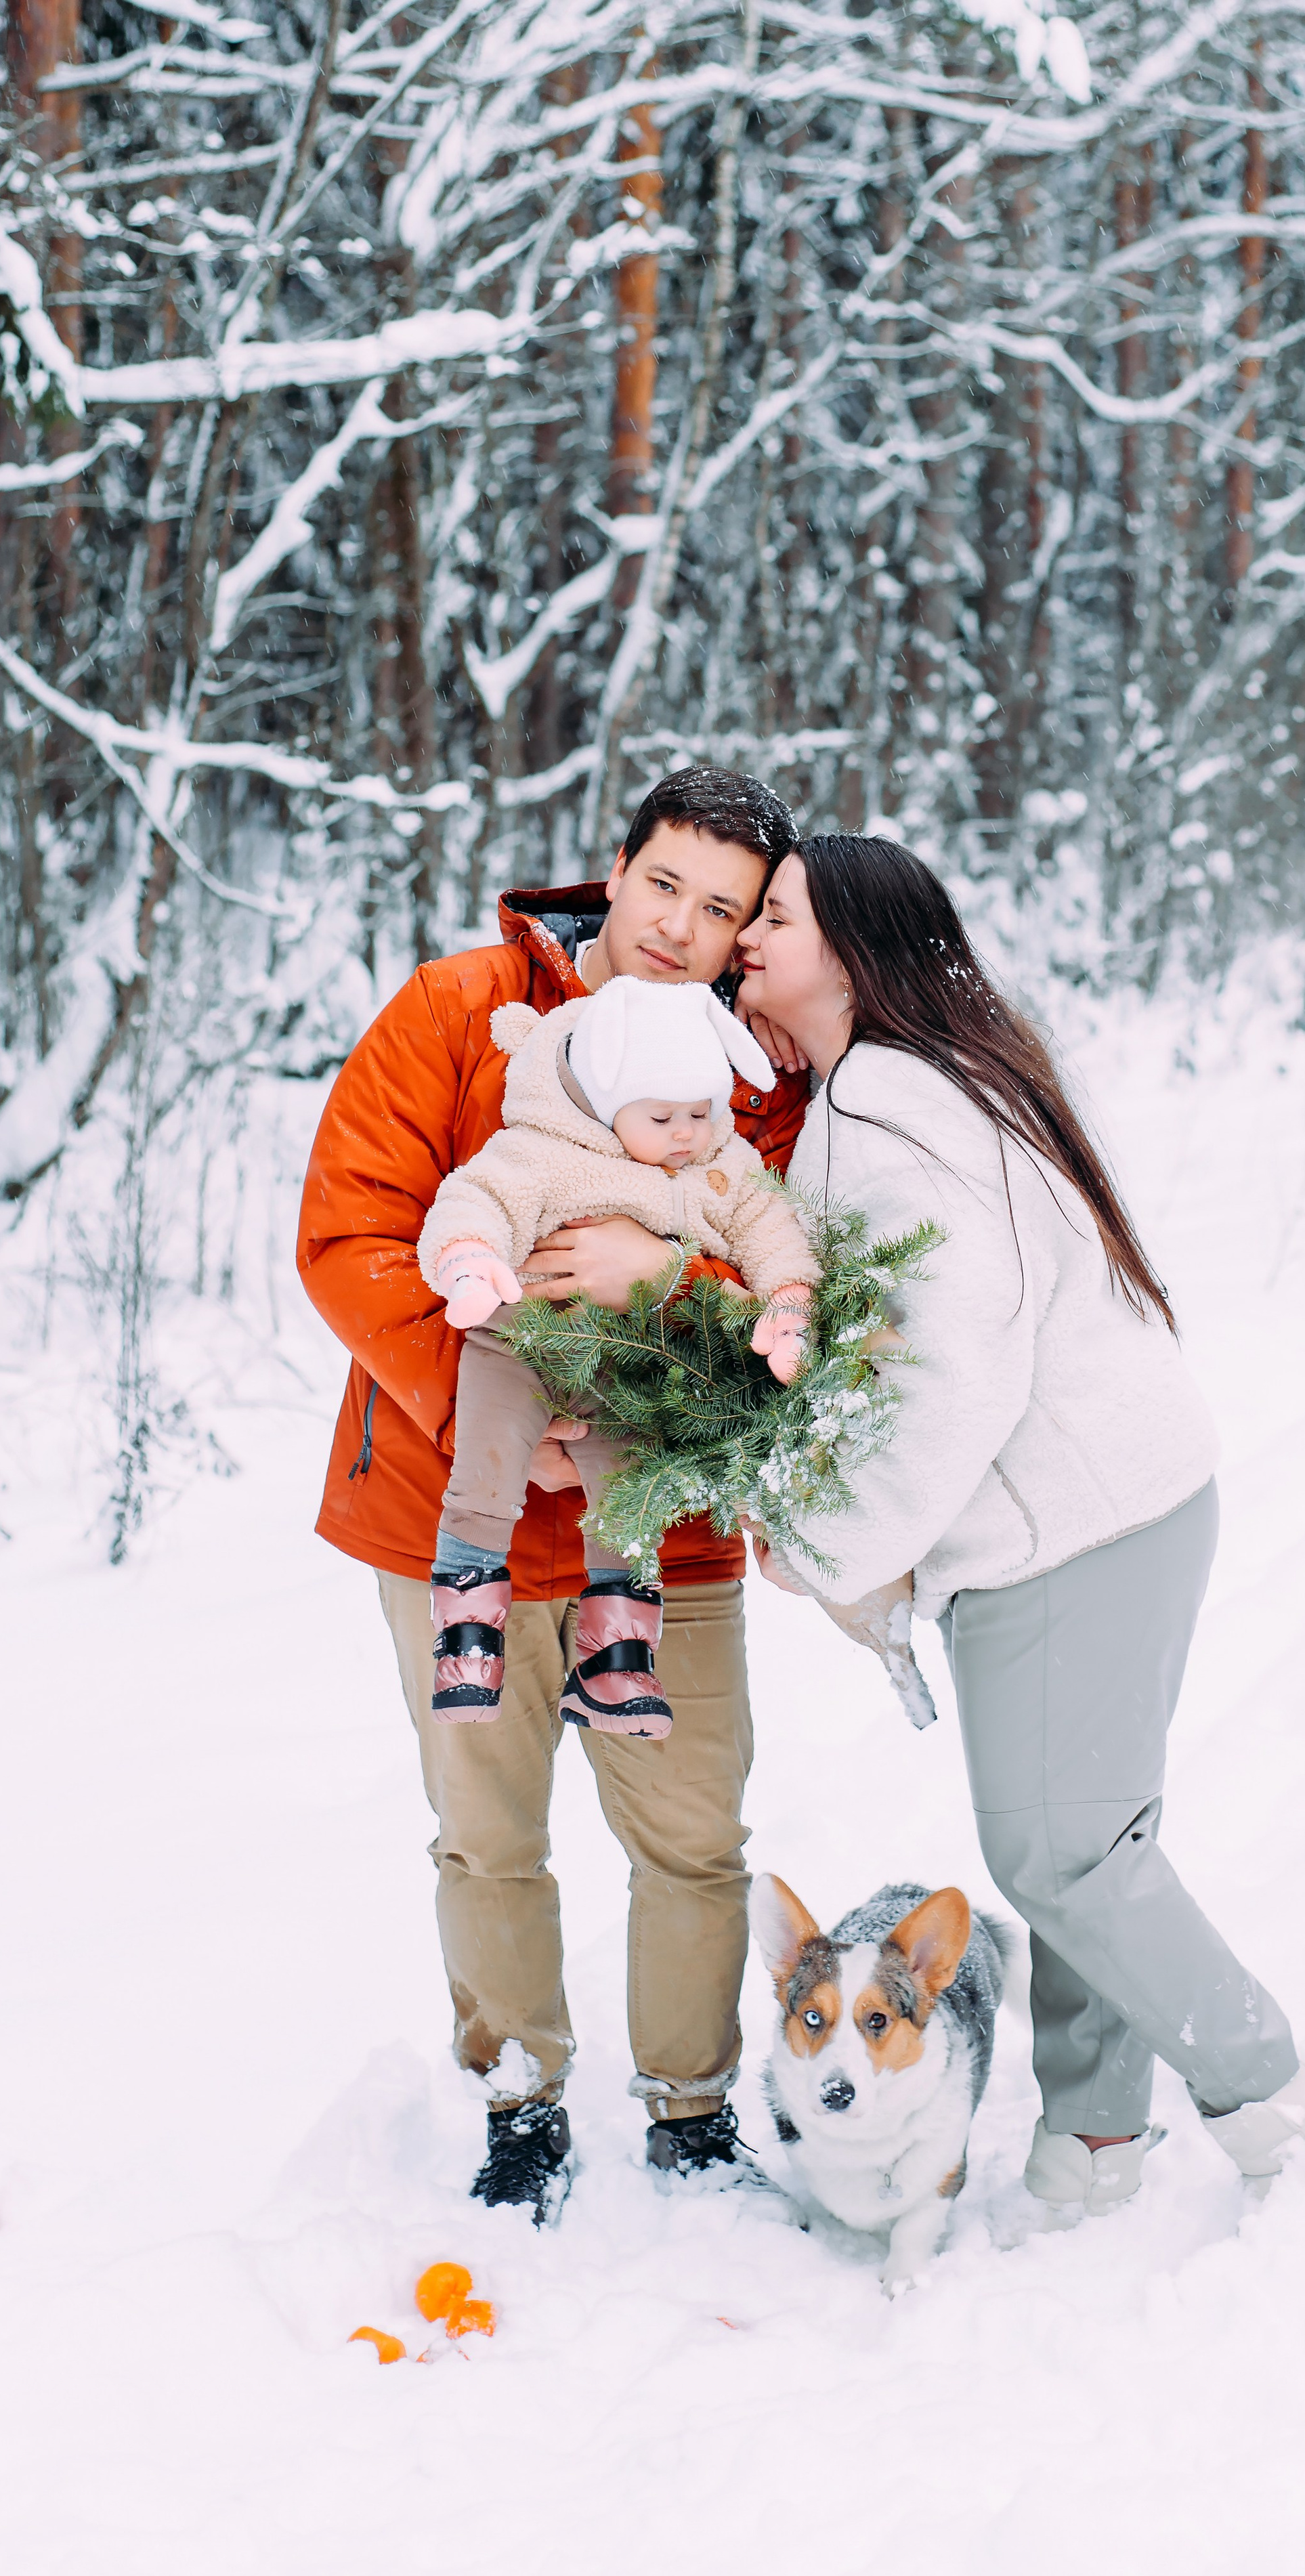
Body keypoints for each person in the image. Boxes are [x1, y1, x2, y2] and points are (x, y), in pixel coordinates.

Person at [736, 833, 1305, 2220]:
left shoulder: (890, 1115)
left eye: (775, 913)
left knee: (1059, 1853)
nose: (746, 934)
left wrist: (829, 1545)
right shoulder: (890, 1093)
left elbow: (955, 1374)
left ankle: (1266, 2095)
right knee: (1088, 1840)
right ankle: (1097, 2134)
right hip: (1117, 1508)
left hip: (1073, 1532)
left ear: (860, 946)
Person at [297, 769, 810, 2224]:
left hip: (663, 1524)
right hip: (446, 1507)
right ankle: (518, 2095)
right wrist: (479, 1413)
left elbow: (784, 1287)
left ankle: (691, 2109)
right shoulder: (462, 1012)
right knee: (487, 1833)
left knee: (693, 1833)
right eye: (664, 885)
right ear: (617, 870)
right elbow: (352, 1232)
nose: (678, 925)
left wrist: (679, 1292)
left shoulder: (741, 1074)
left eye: (720, 909)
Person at [415, 976, 817, 1735]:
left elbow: (770, 1227)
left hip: (628, 1360)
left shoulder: (719, 1168)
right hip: (516, 1339)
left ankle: (616, 1660)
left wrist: (787, 1296)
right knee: (487, 1471)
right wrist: (468, 1258)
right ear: (605, 1101)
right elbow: (476, 1199)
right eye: (660, 1116)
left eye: (701, 1110)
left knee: (628, 1501)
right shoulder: (544, 1151)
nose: (685, 1133)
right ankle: (466, 1637)